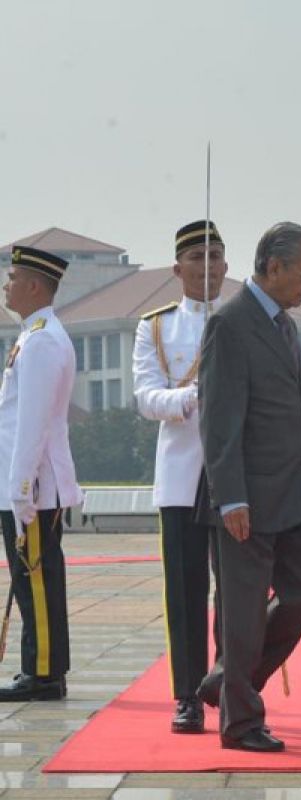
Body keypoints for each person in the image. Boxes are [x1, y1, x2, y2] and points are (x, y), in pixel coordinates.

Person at [196, 222, 301, 753]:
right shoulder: (231, 324)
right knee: (244, 613)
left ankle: (228, 681)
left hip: (293, 494)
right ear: (274, 267)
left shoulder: (285, 325)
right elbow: (218, 418)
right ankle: (241, 720)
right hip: (246, 498)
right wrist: (231, 496)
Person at [133, 220, 228, 733]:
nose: (207, 266)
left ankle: (231, 684)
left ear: (228, 266)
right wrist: (192, 397)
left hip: (232, 472)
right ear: (178, 268)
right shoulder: (156, 326)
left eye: (216, 256)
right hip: (181, 473)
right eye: (197, 257)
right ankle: (187, 694)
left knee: (234, 589)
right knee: (185, 590)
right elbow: (146, 398)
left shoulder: (240, 319)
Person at [0, 246, 82, 702]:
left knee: (37, 577)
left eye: (12, 278)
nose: (6, 285)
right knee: (32, 579)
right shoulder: (33, 336)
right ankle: (40, 667)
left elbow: (32, 423)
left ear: (34, 285)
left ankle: (45, 674)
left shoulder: (44, 340)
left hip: (35, 488)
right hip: (28, 485)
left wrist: (21, 490)